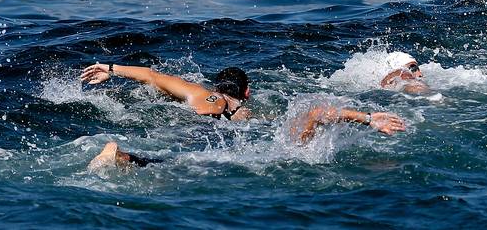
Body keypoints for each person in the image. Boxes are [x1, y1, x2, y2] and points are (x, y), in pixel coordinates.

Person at [88, 108, 407, 171]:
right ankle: (120, 156)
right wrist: (368, 118)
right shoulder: (301, 148)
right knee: (176, 167)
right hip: (253, 163)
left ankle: (123, 157)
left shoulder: (291, 138)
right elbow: (318, 112)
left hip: (249, 156)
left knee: (170, 163)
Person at [80, 62, 254, 121]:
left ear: (216, 86)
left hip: (184, 125)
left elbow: (151, 76)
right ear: (247, 92)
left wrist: (110, 68)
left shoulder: (198, 91)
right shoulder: (244, 113)